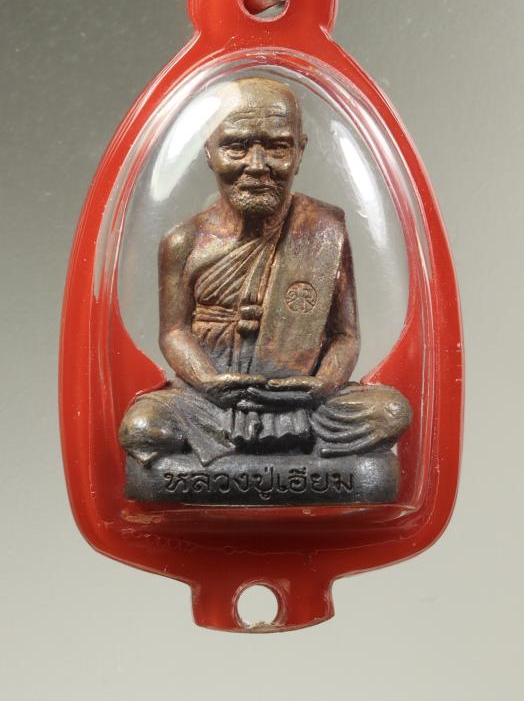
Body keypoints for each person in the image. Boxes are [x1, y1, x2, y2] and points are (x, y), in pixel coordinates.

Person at [119, 77, 411, 467]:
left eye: (277, 147)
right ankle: (282, 459)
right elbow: (174, 331)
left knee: (390, 412)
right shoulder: (184, 241)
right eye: (236, 147)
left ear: (300, 151)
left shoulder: (324, 231)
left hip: (301, 402)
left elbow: (345, 336)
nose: (257, 166)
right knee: (141, 427)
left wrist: (319, 387)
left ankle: (258, 455)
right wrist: (208, 383)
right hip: (211, 404)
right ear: (209, 151)